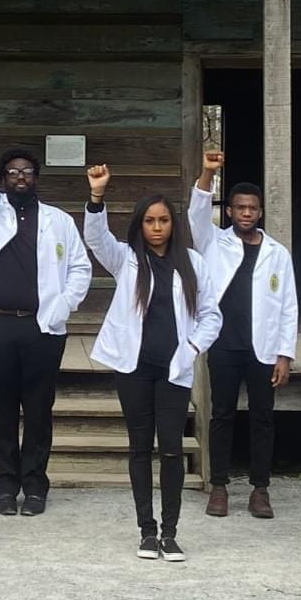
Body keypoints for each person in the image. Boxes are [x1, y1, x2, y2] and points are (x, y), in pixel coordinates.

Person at [0, 105, 92, 517]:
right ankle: (5, 485)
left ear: (36, 179)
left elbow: (81, 268)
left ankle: (35, 486)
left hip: (41, 328)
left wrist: (64, 304)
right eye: (12, 172)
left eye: (27, 172)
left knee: (37, 409)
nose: (20, 177)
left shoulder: (59, 221)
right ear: (3, 180)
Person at [84, 163, 220, 562]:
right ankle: (146, 532)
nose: (157, 227)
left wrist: (192, 347)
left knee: (173, 449)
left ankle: (171, 533)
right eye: (149, 221)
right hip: (133, 368)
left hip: (174, 369)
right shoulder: (125, 259)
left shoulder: (193, 263)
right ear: (139, 225)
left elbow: (211, 314)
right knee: (140, 447)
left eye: (163, 220)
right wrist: (97, 195)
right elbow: (95, 237)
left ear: (173, 225)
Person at [187, 150, 296, 520]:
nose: (246, 213)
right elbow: (196, 213)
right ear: (229, 211)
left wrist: (285, 354)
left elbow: (288, 306)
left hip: (263, 349)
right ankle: (219, 486)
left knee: (263, 418)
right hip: (224, 345)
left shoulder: (277, 253)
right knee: (222, 415)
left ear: (260, 212)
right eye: (239, 208)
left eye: (252, 208)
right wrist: (207, 173)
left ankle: (260, 489)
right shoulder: (214, 243)